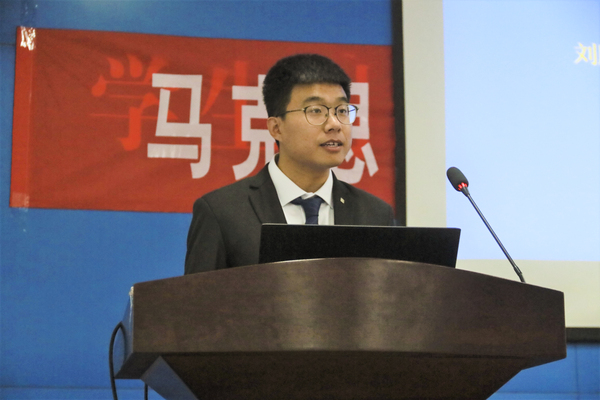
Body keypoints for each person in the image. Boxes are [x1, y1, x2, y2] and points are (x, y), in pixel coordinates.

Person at [184, 54, 395, 274]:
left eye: (341, 111)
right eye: (316, 111)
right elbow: (199, 296)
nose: (334, 124)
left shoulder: (375, 215)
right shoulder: (222, 212)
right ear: (276, 128)